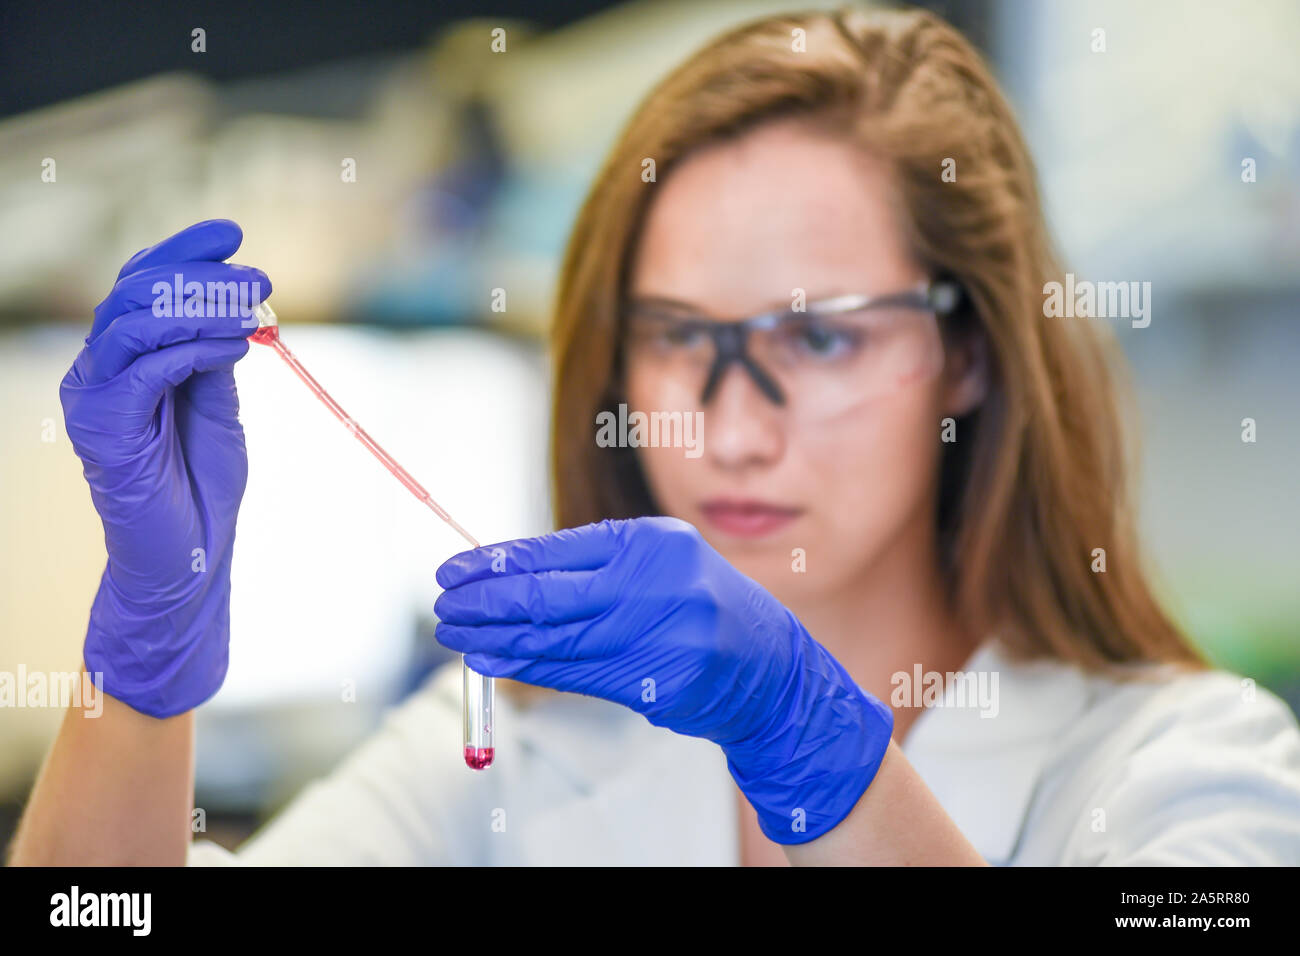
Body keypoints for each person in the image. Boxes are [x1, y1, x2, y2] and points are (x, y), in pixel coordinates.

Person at [11, 5, 1300, 867]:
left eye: (820, 337)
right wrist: (142, 655)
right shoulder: (513, 761)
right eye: (680, 334)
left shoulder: (1191, 771)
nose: (731, 429)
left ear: (966, 352)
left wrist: (815, 748)